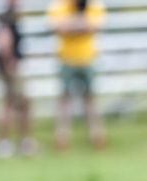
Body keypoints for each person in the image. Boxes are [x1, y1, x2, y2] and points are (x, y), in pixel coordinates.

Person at [46, 0, 107, 150]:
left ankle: (97, 137)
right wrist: (81, 23)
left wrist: (72, 25)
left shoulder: (94, 5)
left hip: (87, 59)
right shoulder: (60, 5)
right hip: (67, 59)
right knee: (65, 100)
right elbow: (58, 27)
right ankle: (62, 138)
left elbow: (94, 27)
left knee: (90, 100)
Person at [0, 0, 37, 158]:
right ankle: (15, 143)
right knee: (16, 105)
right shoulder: (7, 19)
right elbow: (4, 44)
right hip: (11, 69)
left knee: (13, 104)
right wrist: (10, 64)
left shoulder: (6, 18)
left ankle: (12, 143)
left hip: (7, 67)